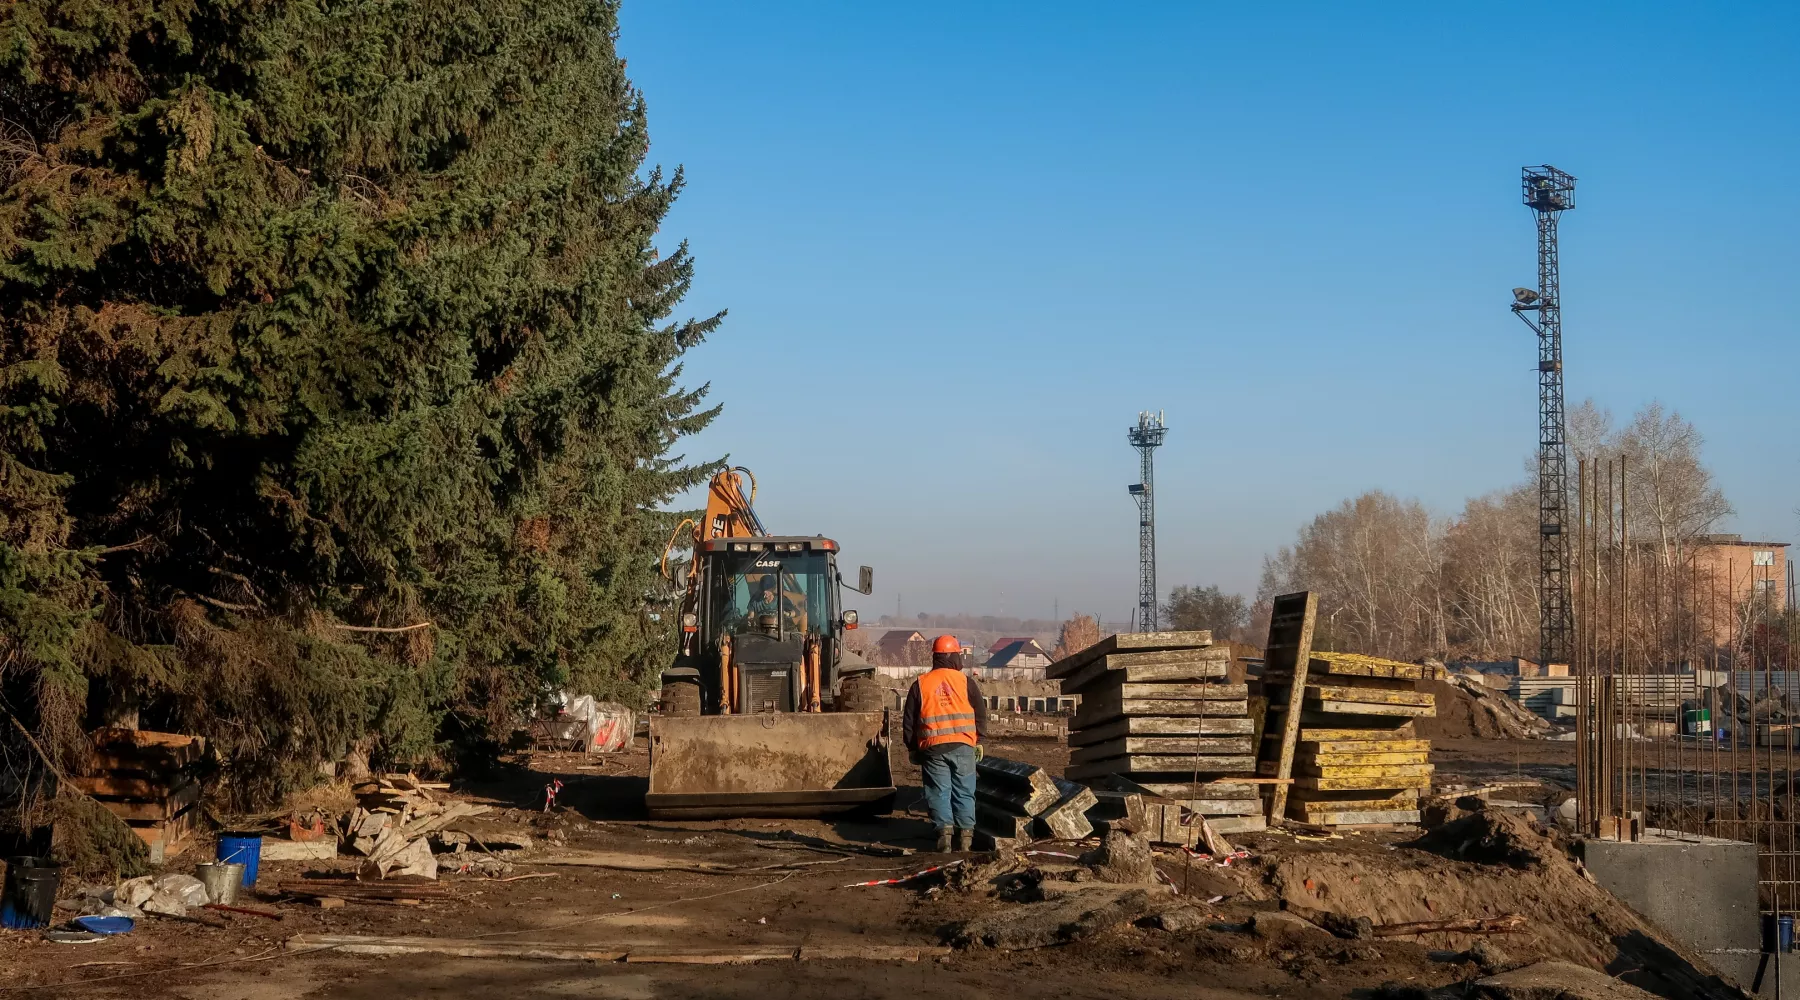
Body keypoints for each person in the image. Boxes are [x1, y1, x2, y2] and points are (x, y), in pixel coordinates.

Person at [903, 634, 988, 852]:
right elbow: (980, 712)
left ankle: (944, 837)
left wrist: (912, 748)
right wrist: (979, 739)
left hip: (933, 748)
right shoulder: (966, 682)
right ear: (952, 656)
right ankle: (966, 839)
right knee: (965, 790)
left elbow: (909, 721)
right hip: (964, 745)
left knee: (939, 791)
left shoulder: (920, 684)